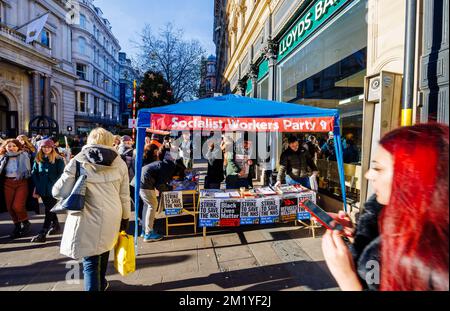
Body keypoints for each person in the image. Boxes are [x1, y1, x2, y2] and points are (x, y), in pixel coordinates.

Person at [321, 123, 449, 291]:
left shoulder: (429, 262)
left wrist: (346, 277)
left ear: (412, 176)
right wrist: (355, 235)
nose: (368, 175)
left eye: (378, 168)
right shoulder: (393, 218)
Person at [52, 128, 131, 291]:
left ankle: (98, 285)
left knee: (90, 263)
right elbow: (124, 194)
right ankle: (101, 283)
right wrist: (126, 218)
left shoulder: (78, 160)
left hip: (86, 215)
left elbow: (58, 192)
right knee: (103, 250)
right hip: (113, 214)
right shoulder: (119, 162)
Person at [138, 147, 177, 242]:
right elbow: (160, 185)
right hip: (145, 183)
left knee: (147, 206)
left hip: (140, 182)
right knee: (152, 206)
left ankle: (145, 230)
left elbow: (159, 182)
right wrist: (171, 188)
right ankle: (148, 233)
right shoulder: (168, 165)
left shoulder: (162, 163)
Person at [30, 139, 65, 243]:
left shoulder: (58, 159)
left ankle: (42, 233)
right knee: (49, 209)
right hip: (42, 189)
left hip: (53, 190)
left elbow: (62, 175)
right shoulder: (38, 159)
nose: (46, 149)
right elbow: (34, 173)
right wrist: (37, 186)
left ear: (52, 148)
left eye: (49, 147)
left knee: (48, 210)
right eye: (44, 147)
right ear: (41, 148)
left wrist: (57, 187)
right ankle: (56, 225)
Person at [0, 139, 32, 239]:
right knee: (9, 207)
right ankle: (17, 226)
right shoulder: (2, 157)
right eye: (9, 146)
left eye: (14, 146)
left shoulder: (24, 155)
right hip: (7, 183)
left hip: (21, 182)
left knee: (17, 206)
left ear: (18, 146)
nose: (12, 148)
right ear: (5, 147)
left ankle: (25, 222)